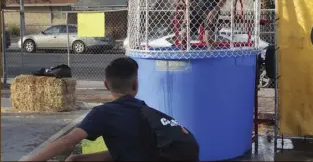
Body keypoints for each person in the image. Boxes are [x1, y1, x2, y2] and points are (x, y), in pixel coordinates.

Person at [23, 57, 199, 162]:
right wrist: (78, 159)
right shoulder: (147, 113)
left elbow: (68, 141)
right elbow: (125, 152)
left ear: (105, 84)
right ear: (135, 85)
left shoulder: (104, 113)